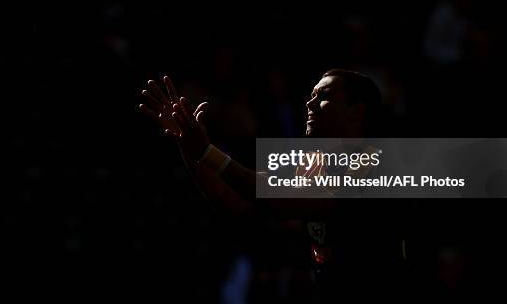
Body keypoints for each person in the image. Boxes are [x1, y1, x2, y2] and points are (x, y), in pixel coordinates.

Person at [139, 69, 408, 300]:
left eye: (323, 97)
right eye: (311, 96)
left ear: (357, 111)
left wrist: (207, 151)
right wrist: (189, 149)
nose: (310, 104)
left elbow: (274, 198)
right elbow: (234, 202)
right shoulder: (315, 166)